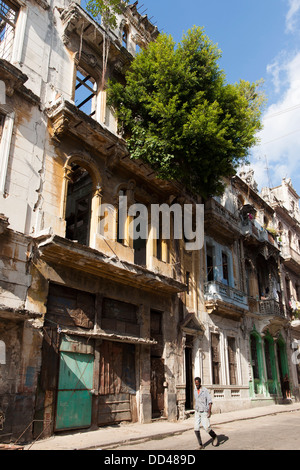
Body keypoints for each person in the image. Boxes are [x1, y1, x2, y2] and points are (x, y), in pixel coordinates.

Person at [194, 377, 218, 449]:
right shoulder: (195, 390)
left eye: (197, 384)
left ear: (200, 383)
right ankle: (200, 445)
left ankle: (214, 437)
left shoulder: (205, 391)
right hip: (197, 411)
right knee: (196, 428)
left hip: (204, 411)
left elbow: (210, 402)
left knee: (207, 428)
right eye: (195, 384)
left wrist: (209, 411)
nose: (196, 385)